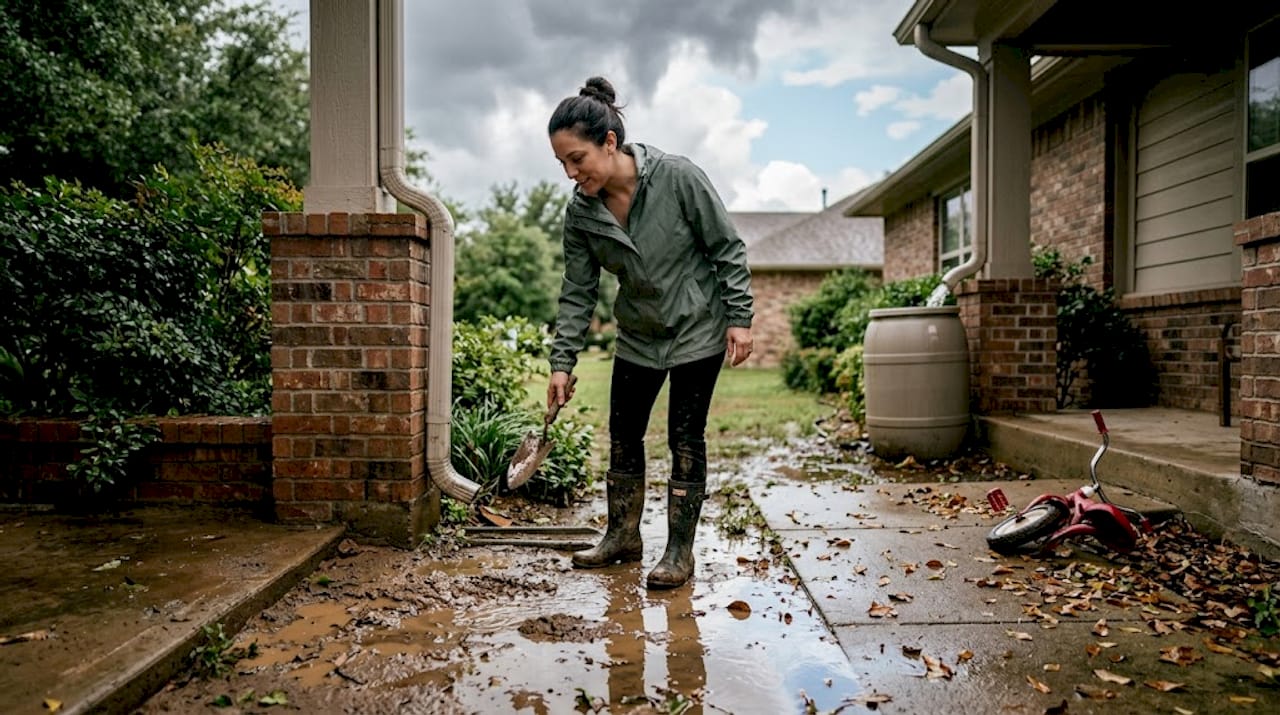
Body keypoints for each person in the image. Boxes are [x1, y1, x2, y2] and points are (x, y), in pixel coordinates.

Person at [545, 76, 754, 590]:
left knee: (685, 438)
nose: (572, 174)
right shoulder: (581, 213)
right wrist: (561, 362)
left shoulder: (678, 177)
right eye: (563, 165)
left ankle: (679, 552)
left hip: (696, 329)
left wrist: (739, 317)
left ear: (609, 143)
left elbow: (726, 248)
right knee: (623, 436)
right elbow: (578, 289)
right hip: (638, 335)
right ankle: (623, 536)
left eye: (578, 159)